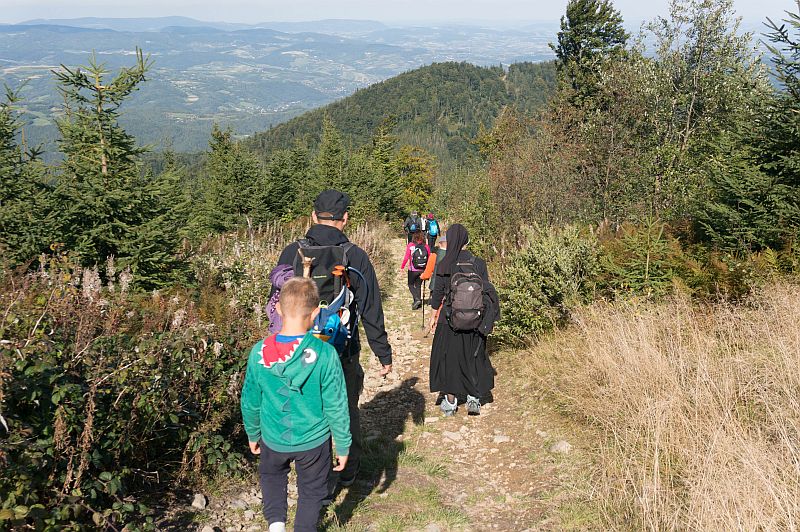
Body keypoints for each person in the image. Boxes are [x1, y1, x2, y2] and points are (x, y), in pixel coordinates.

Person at [272, 189, 393, 487]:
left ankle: (314, 476)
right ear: (346, 218)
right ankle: (348, 470)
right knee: (345, 407)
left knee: (308, 412)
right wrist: (383, 353)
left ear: (313, 216)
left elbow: (276, 303)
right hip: (342, 351)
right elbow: (371, 309)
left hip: (298, 351)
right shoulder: (356, 256)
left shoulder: (292, 252)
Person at [240, 277, 351, 532]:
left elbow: (250, 400)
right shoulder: (325, 353)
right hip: (313, 440)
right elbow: (336, 404)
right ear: (315, 313)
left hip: (272, 436)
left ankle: (276, 524)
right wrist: (343, 444)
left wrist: (253, 432)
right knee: (312, 492)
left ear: (278, 309)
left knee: (272, 477)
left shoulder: (259, 352)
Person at [427, 224, 496, 417]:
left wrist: (433, 316)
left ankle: (450, 402)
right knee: (473, 356)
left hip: (449, 320)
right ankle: (474, 398)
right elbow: (485, 291)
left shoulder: (445, 262)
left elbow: (437, 294)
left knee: (448, 358)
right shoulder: (479, 263)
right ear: (466, 240)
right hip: (475, 319)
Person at [400, 230, 431, 310]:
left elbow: (406, 257)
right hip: (422, 269)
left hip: (412, 269)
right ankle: (417, 303)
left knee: (410, 285)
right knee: (418, 285)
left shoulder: (411, 245)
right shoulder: (426, 246)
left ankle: (417, 299)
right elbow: (429, 257)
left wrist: (402, 267)